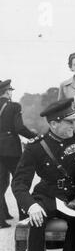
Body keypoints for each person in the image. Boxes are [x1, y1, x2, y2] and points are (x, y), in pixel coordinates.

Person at [11, 98, 75, 251]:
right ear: (54, 124)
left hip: (71, 198)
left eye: (74, 121)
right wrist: (30, 205)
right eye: (69, 122)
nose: (74, 125)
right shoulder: (36, 146)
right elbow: (19, 183)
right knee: (37, 218)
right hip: (46, 196)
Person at [0, 80, 36, 227]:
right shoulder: (14, 106)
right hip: (11, 150)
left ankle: (1, 219)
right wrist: (34, 137)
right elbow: (19, 128)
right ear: (8, 91)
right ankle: (23, 216)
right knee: (19, 182)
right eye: (10, 90)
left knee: (1, 184)